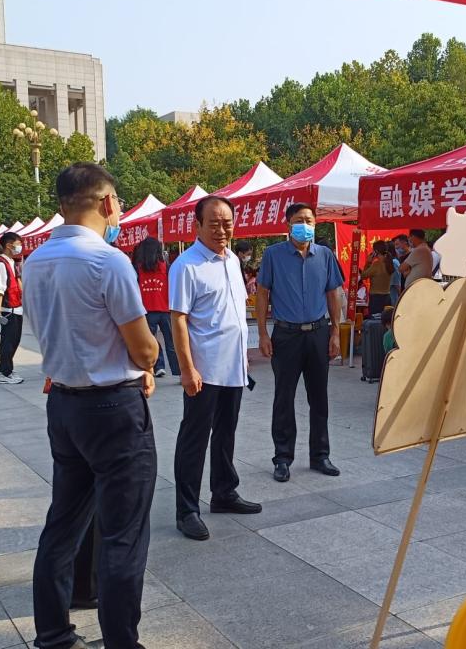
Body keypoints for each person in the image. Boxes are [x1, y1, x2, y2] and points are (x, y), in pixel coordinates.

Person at [24, 162, 160, 649]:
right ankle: (122, 641)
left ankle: (53, 634)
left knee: (63, 524)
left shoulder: (34, 261)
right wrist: (150, 357)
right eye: (117, 202)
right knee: (123, 535)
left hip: (64, 404)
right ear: (106, 203)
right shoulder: (108, 261)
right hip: (113, 409)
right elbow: (143, 349)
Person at [170, 196, 262, 541]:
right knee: (194, 438)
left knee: (226, 432)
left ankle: (224, 492)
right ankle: (187, 510)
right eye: (214, 223)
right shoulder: (187, 266)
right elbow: (178, 320)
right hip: (204, 369)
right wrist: (186, 368)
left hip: (233, 367)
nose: (222, 230)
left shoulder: (233, 260)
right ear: (197, 225)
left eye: (227, 223)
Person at [258, 202, 344, 483]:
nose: (304, 225)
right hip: (286, 335)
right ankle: (282, 458)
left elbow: (333, 294)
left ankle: (320, 455)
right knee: (284, 398)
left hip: (318, 333)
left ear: (315, 224)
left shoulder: (325, 255)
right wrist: (262, 333)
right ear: (288, 224)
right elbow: (262, 293)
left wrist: (335, 332)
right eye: (298, 220)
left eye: (309, 220)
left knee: (319, 397)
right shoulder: (273, 255)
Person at [133, 237, 179, 378]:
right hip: (165, 310)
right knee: (172, 342)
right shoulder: (166, 267)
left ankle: (158, 366)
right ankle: (178, 371)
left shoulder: (138, 268)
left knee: (151, 341)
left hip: (147, 311)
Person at [0, 232, 25, 384]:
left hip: (16, 307)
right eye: (18, 243)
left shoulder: (11, 262)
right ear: (9, 245)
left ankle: (4, 370)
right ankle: (4, 372)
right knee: (9, 342)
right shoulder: (1, 263)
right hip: (8, 308)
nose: (20, 246)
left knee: (13, 340)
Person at [361, 240, 394, 316]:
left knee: (375, 320)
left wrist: (368, 263)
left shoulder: (377, 265)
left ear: (375, 252)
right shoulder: (389, 263)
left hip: (376, 298)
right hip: (387, 296)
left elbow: (363, 276)